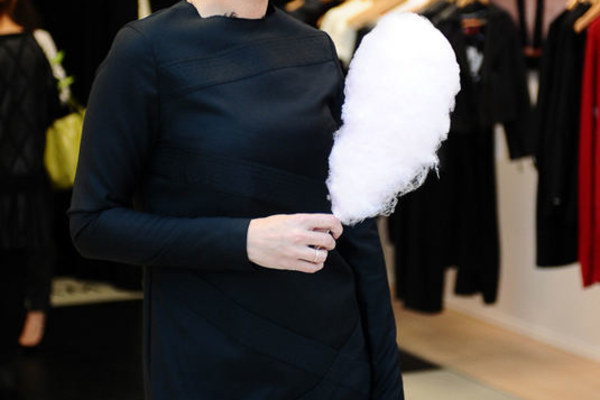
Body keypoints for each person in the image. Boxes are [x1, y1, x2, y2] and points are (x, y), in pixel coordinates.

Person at [68, 0, 404, 398]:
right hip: (213, 354)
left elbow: (358, 227)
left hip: (333, 355)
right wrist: (242, 241)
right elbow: (92, 223)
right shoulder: (146, 50)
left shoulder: (315, 47)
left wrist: (387, 383)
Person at [0, 0, 60, 396]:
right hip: (26, 173)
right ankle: (26, 329)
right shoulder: (35, 44)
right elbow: (54, 105)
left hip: (12, 176)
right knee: (24, 260)